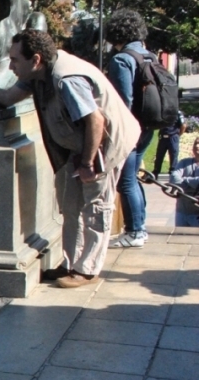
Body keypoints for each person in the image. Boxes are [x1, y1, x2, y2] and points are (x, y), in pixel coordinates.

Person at [0, 29, 140, 288]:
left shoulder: (67, 80)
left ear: (36, 59)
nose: (10, 67)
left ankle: (87, 270)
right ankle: (71, 263)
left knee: (96, 206)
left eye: (15, 60)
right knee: (71, 205)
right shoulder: (37, 75)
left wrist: (88, 163)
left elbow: (96, 121)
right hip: (79, 147)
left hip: (104, 146)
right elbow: (6, 98)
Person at [104, 10, 156, 249]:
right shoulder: (149, 55)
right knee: (132, 177)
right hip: (148, 125)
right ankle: (139, 227)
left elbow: (122, 101)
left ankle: (135, 231)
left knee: (125, 181)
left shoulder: (121, 60)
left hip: (130, 127)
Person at [170, 138, 199, 227]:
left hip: (197, 214)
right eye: (195, 143)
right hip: (181, 212)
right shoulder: (184, 162)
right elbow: (174, 179)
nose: (197, 146)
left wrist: (184, 181)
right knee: (179, 235)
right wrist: (194, 184)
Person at [155, 112, 186, 179]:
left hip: (173, 137)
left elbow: (183, 125)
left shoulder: (178, 113)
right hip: (163, 137)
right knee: (159, 155)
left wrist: (178, 135)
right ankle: (156, 172)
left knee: (173, 155)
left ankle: (173, 173)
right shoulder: (163, 111)